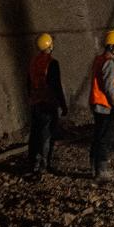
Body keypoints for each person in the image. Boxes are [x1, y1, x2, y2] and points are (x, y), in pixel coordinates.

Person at [26, 33, 68, 178]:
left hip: (35, 103)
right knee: (46, 135)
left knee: (35, 134)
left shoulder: (33, 62)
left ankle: (33, 164)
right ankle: (43, 165)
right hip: (48, 104)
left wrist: (31, 98)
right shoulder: (52, 63)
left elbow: (28, 84)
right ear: (49, 45)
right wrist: (63, 105)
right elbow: (56, 86)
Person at [89, 29, 114, 181]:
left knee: (98, 136)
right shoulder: (109, 63)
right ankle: (102, 171)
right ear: (111, 46)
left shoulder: (99, 59)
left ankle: (94, 167)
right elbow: (109, 87)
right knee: (105, 138)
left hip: (98, 104)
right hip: (106, 106)